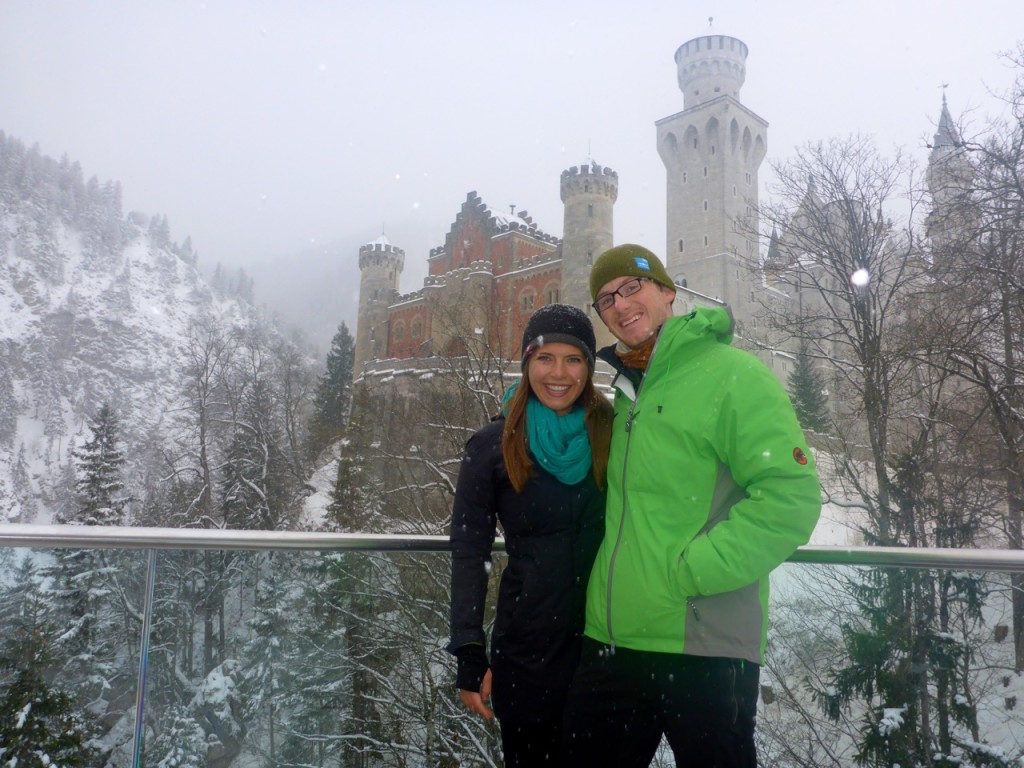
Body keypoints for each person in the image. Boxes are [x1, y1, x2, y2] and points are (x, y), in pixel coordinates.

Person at [561, 244, 822, 767]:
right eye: (606, 298)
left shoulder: (734, 376)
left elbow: (791, 497)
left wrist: (692, 572)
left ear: (668, 292)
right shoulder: (625, 394)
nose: (619, 304)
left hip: (704, 648)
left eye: (632, 286)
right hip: (612, 645)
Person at [448, 303, 614, 767]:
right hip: (528, 655)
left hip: (608, 650)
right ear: (526, 364)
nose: (558, 373)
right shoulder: (492, 446)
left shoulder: (616, 436)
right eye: (544, 358)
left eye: (573, 359)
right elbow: (468, 552)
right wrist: (468, 650)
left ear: (588, 366)